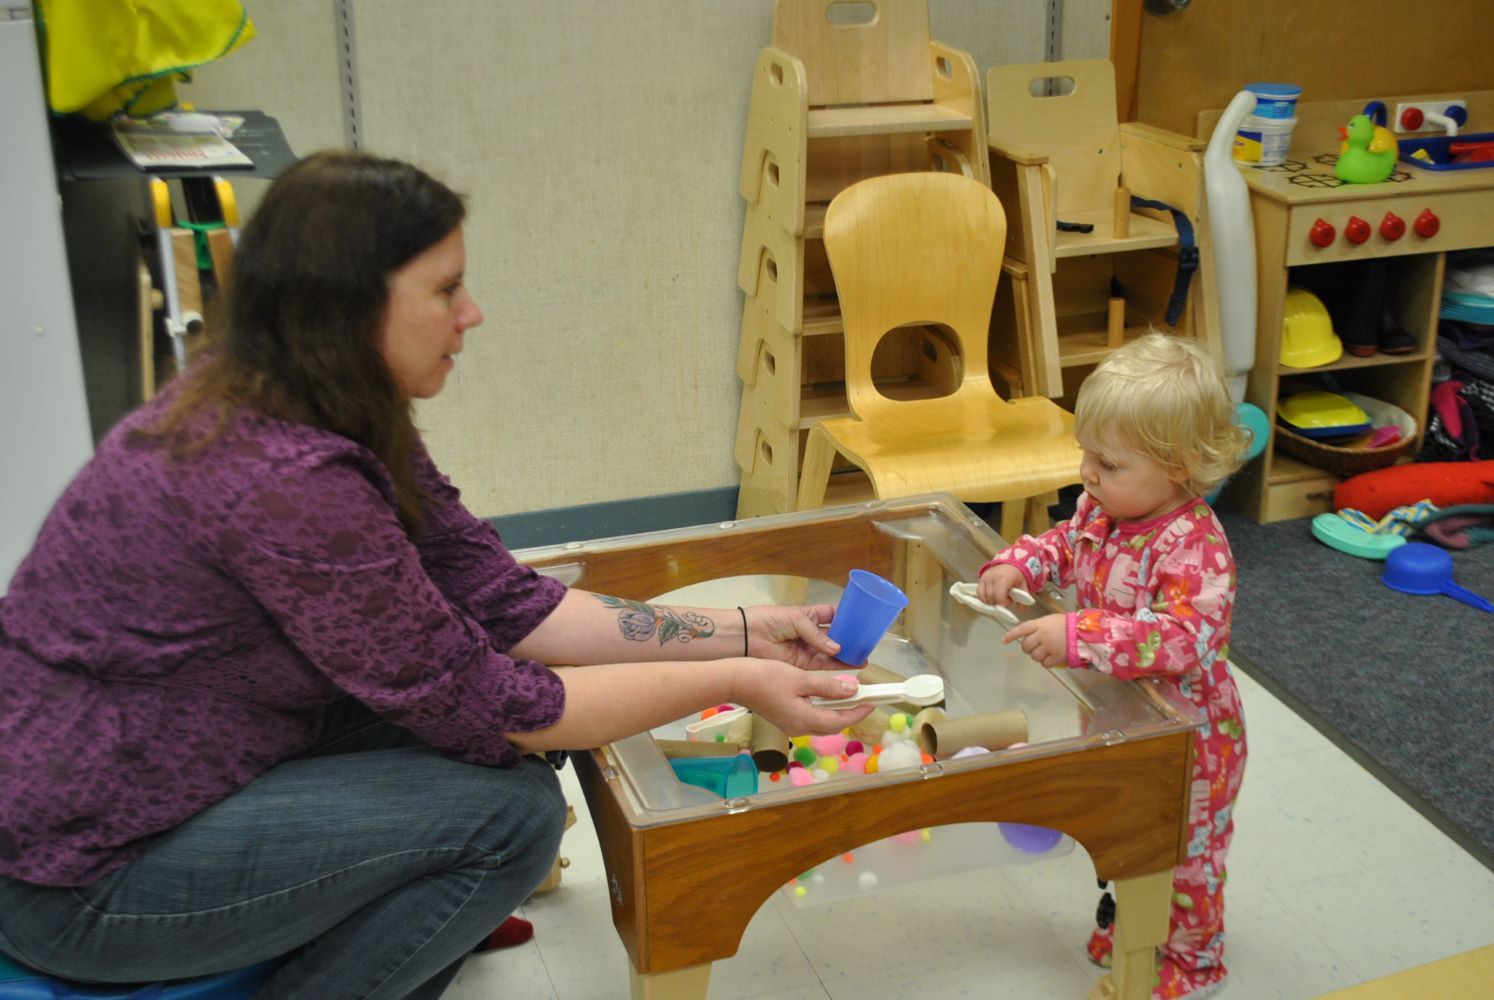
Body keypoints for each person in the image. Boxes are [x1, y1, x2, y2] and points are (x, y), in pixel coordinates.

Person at [0, 151, 873, 999]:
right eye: (447, 289)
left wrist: (751, 629)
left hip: (151, 777)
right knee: (513, 820)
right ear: (349, 308)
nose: (474, 313)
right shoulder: (285, 483)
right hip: (80, 878)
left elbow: (507, 603)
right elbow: (505, 706)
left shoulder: (312, 401)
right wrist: (734, 680)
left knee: (507, 775)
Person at [977, 332, 1250, 1000]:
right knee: (1125, 830)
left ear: (1180, 468)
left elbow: (1182, 639)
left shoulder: (1197, 549)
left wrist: (1078, 632)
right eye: (1086, 454)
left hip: (1194, 740)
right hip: (1121, 717)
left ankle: (1192, 965)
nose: (1088, 474)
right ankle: (1135, 923)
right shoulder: (1103, 510)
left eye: (1108, 462)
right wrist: (1023, 562)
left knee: (1183, 856)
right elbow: (1066, 543)